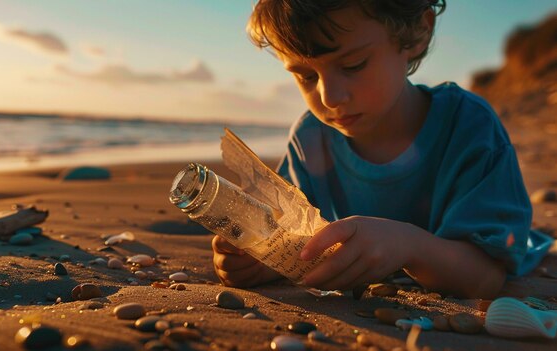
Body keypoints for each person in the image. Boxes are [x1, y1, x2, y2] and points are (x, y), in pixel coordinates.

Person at [212, 0, 554, 299]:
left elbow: (485, 277)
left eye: (353, 65)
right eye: (306, 76)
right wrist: (263, 261)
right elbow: (296, 243)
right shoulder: (310, 138)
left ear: (416, 31)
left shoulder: (467, 127)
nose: (330, 97)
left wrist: (406, 246)